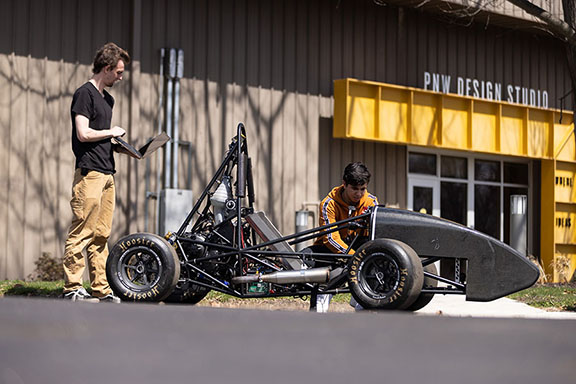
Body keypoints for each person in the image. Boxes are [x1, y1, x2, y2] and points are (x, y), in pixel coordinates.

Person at [62, 42, 131, 302]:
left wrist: (120, 146)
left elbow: (99, 137)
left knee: (101, 234)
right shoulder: (85, 94)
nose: (121, 77)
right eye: (119, 72)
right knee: (82, 230)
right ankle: (72, 288)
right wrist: (111, 132)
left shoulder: (107, 99)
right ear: (106, 68)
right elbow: (83, 133)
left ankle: (100, 289)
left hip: (107, 173)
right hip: (89, 172)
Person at [308, 162, 379, 312]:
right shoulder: (329, 204)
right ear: (344, 184)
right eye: (354, 189)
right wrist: (355, 257)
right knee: (311, 259)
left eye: (363, 189)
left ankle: (362, 299)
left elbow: (373, 237)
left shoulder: (371, 202)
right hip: (329, 249)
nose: (359, 194)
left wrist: (360, 258)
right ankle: (319, 307)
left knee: (373, 253)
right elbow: (330, 239)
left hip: (356, 245)